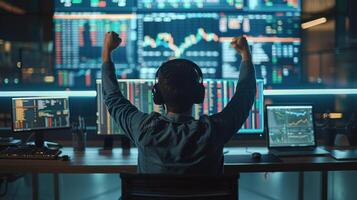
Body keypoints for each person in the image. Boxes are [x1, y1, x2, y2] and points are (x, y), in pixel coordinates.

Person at [102, 31, 256, 175]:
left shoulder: (143, 129)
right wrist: (245, 54)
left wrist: (107, 53)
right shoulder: (214, 131)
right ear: (199, 94)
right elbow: (245, 96)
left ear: (158, 96)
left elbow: (113, 98)